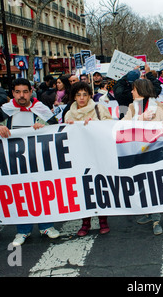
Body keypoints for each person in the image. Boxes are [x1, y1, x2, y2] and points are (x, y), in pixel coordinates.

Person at [0, 78, 60, 246]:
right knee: (20, 195)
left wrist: (43, 125)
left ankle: (46, 226)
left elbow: (55, 125)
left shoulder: (41, 108)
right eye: (17, 92)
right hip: (14, 161)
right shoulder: (4, 110)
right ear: (12, 93)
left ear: (31, 92)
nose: (21, 96)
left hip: (38, 159)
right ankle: (22, 231)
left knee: (42, 193)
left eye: (25, 92)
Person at [122, 78, 163, 235]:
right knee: (142, 183)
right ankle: (148, 213)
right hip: (138, 152)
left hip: (156, 153)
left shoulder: (158, 107)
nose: (131, 92)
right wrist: (140, 119)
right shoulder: (132, 107)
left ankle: (157, 219)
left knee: (155, 184)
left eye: (134, 89)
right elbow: (123, 124)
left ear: (141, 90)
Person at [64, 82, 113, 236]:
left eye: (85, 94)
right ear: (74, 97)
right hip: (79, 157)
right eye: (78, 95)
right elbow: (62, 136)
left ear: (90, 95)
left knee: (99, 187)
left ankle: (103, 220)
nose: (82, 98)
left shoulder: (99, 109)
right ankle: (85, 223)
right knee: (83, 190)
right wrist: (68, 128)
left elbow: (110, 128)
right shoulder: (69, 114)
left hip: (97, 155)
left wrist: (95, 126)